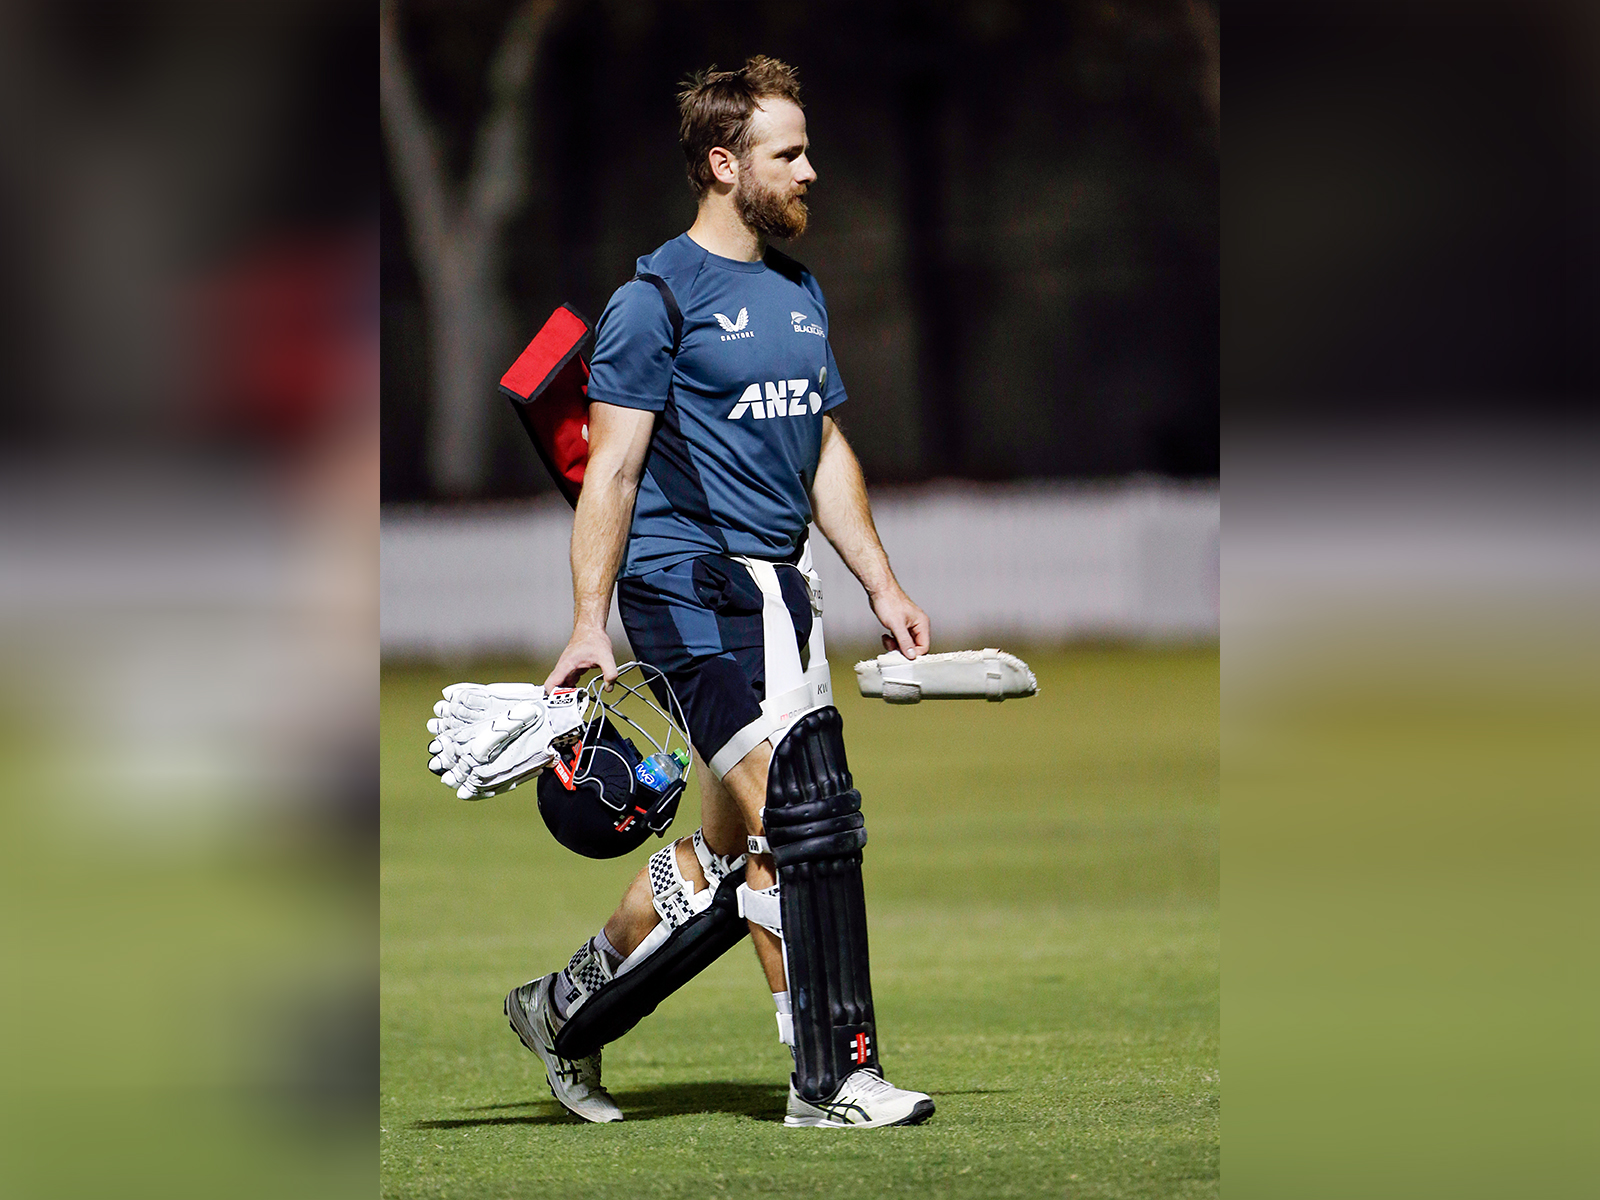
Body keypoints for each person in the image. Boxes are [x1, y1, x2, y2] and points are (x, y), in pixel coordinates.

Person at [504, 56, 934, 1128]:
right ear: (721, 164)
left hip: (781, 601)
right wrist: (587, 623)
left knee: (731, 860)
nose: (810, 171)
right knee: (806, 826)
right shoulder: (652, 302)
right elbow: (608, 472)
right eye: (788, 154)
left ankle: (559, 1014)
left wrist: (879, 581)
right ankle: (828, 1081)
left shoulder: (798, 293)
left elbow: (822, 445)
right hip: (683, 594)